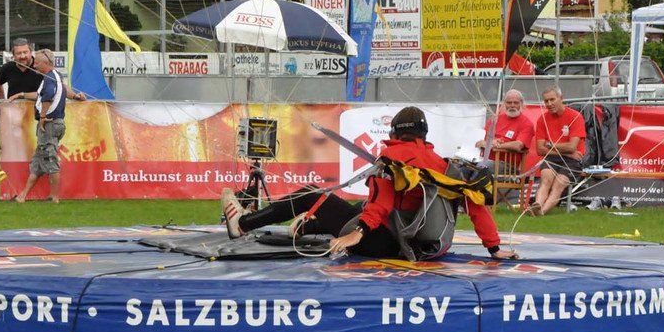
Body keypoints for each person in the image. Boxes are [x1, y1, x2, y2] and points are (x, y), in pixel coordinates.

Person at [221, 107, 517, 260]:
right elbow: (477, 206)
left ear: (394, 133)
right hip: (421, 247)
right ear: (424, 134)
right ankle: (306, 227)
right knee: (356, 207)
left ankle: (243, 224)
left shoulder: (391, 159)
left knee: (312, 194)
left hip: (381, 244)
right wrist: (494, 248)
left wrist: (357, 234)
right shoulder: (445, 167)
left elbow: (381, 205)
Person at [9, 49, 86, 203]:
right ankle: (23, 196)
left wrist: (43, 117)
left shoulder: (50, 79)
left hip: (49, 124)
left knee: (50, 159)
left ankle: (54, 197)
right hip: (54, 124)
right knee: (38, 161)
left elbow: (48, 97)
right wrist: (21, 94)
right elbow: (46, 94)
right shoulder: (55, 76)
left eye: (37, 62)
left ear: (46, 63)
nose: (34, 65)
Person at [530, 86, 586, 216]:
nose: (549, 104)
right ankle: (537, 204)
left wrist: (550, 144)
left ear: (561, 98)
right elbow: (540, 150)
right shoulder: (542, 119)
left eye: (552, 99)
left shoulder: (575, 116)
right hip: (554, 158)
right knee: (546, 180)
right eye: (546, 101)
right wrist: (564, 151)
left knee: (559, 184)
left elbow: (572, 147)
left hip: (572, 161)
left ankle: (541, 211)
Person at [476, 89, 535, 162]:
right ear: (504, 104)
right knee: (464, 166)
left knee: (482, 166)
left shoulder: (526, 124)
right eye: (509, 103)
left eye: (516, 103)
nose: (512, 105)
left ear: (521, 104)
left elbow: (518, 145)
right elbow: (481, 139)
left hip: (506, 164)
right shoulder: (495, 119)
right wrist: (492, 142)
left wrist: (495, 145)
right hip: (483, 159)